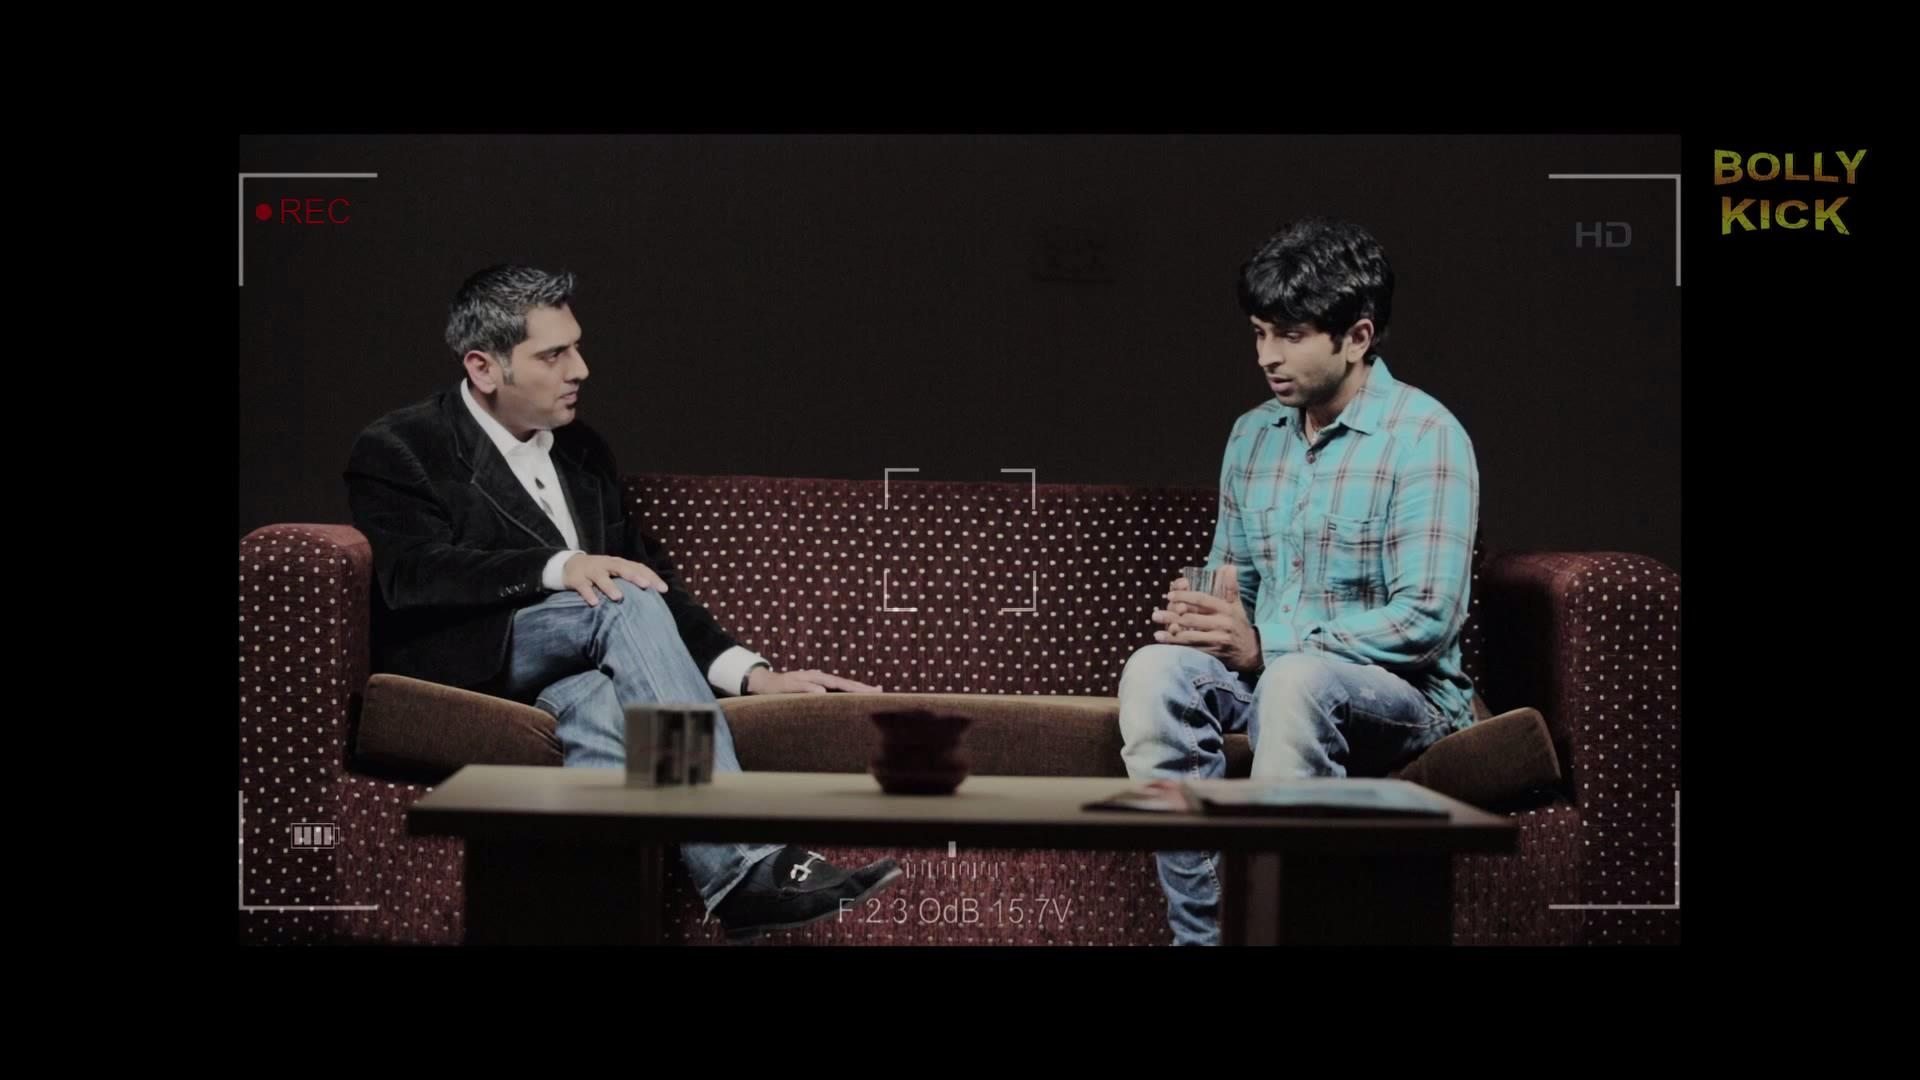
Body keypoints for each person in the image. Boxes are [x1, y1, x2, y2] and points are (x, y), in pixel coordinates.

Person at [345, 264, 904, 940]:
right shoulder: (401, 446)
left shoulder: (583, 450)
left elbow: (651, 578)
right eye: (553, 354)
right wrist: (562, 565)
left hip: (576, 671)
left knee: (603, 705)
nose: (579, 369)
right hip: (466, 661)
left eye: (577, 346)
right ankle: (741, 863)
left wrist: (752, 674)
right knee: (619, 599)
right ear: (484, 368)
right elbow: (414, 574)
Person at [1116, 219, 1481, 945]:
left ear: (1358, 337)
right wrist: (1205, 620)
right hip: (1275, 681)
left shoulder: (1426, 437)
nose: (1267, 357)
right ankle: (1206, 937)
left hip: (1403, 699)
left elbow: (1426, 619)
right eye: (1258, 334)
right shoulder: (1253, 435)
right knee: (1154, 672)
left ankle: (1278, 934)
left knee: (1297, 680)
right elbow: (1239, 588)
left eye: (1288, 335)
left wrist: (1265, 647)